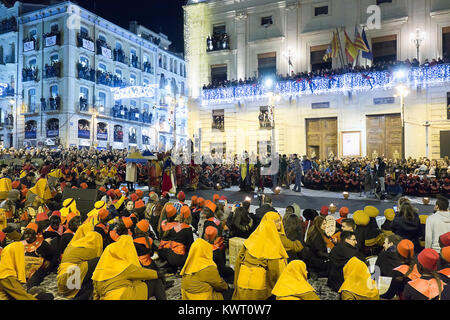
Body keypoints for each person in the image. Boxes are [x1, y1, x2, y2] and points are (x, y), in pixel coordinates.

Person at [232, 211, 302, 300]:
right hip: (259, 287)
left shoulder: (252, 238)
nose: (280, 223)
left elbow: (239, 260)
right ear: (270, 224)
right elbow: (275, 270)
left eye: (280, 220)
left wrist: (236, 283)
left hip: (243, 282)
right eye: (277, 221)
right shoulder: (273, 241)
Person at [91, 224, 163, 300]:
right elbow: (140, 272)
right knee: (155, 282)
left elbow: (96, 293)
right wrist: (158, 274)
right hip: (123, 296)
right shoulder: (124, 267)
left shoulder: (99, 272)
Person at [57, 230, 103, 300]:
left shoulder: (73, 245)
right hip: (71, 282)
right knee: (99, 262)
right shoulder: (90, 249)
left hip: (61, 282)